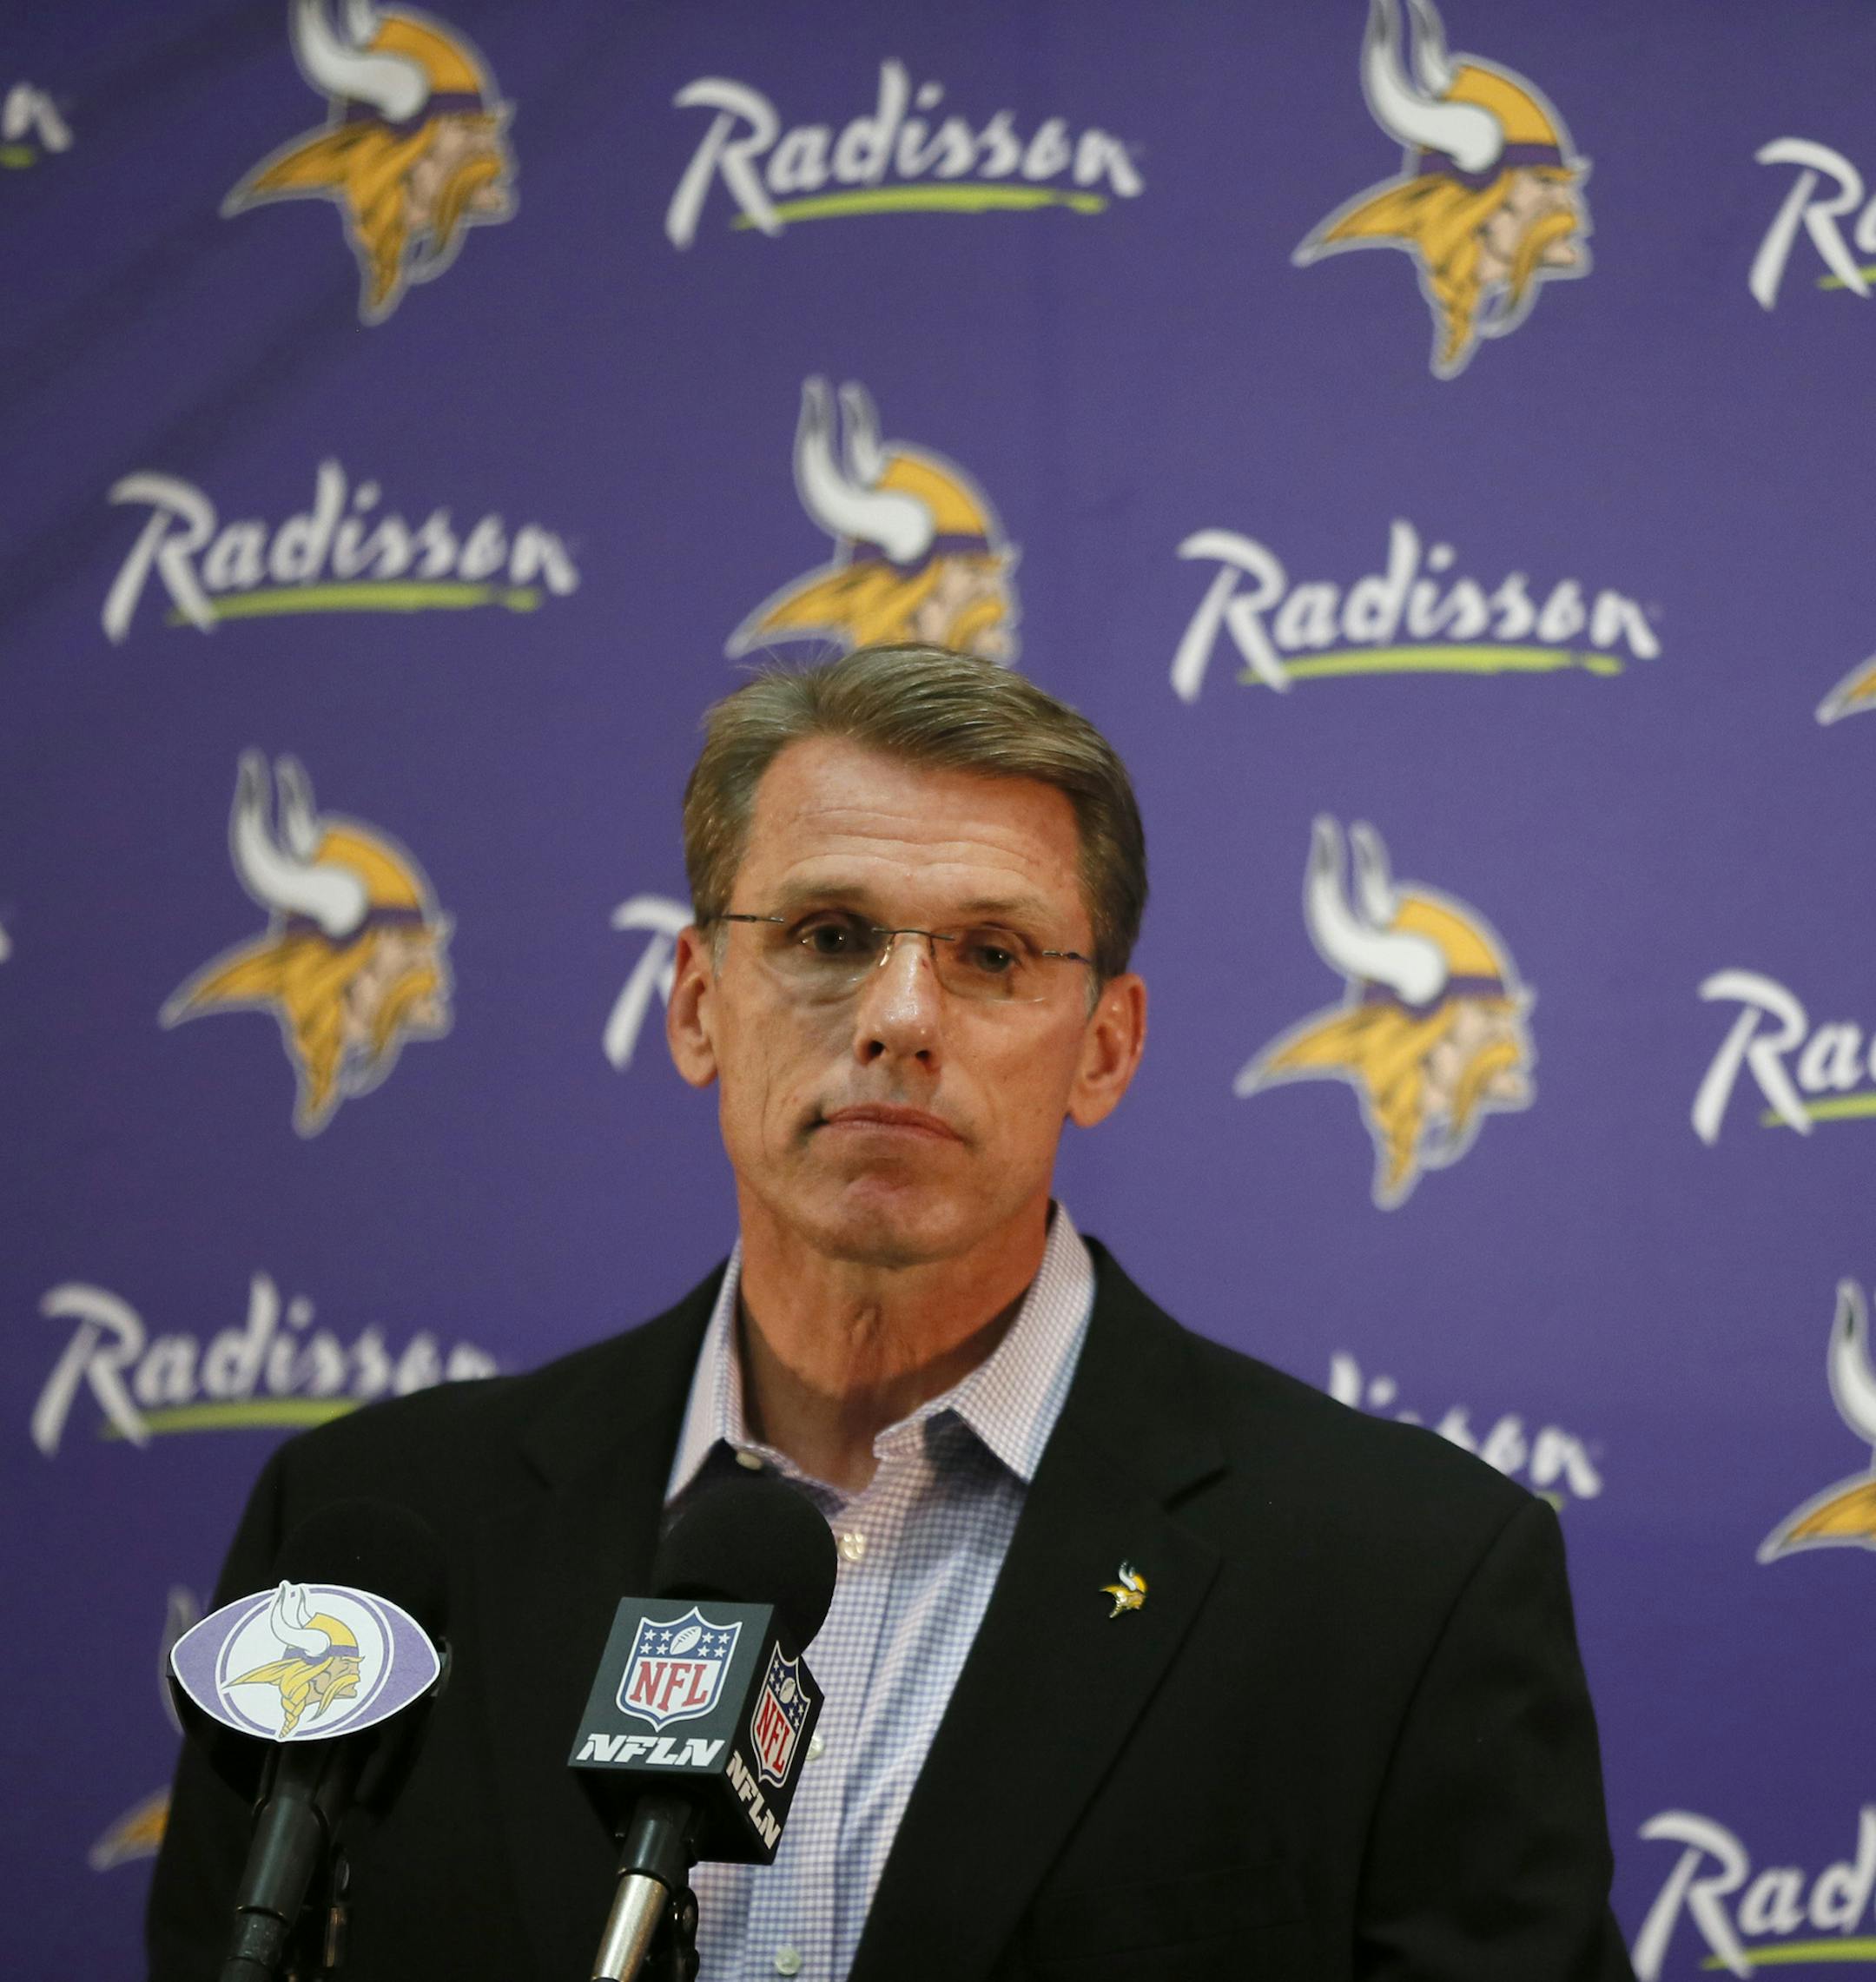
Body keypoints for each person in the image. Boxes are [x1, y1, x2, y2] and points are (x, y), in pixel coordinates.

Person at [149, 643, 1635, 1981]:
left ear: (1105, 1047)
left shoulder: (1401, 1587)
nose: (902, 1016)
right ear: (695, 1003)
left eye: (992, 954)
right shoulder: (375, 1534)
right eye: (829, 933)